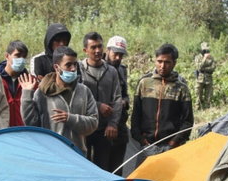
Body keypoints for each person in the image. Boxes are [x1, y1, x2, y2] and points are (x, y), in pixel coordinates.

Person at [20, 46, 98, 155]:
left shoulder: (84, 91)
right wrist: (27, 95)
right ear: (57, 67)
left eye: (75, 64)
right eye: (68, 65)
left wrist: (70, 118)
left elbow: (93, 122)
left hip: (78, 155)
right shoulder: (42, 92)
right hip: (51, 155)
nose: (73, 69)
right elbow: (31, 123)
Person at [130, 44, 194, 164]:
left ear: (174, 63)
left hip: (170, 147)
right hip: (146, 146)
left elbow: (187, 121)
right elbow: (136, 115)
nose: (162, 66)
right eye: (159, 61)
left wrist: (173, 142)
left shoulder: (181, 88)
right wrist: (141, 139)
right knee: (142, 180)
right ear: (155, 60)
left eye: (167, 62)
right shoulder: (144, 83)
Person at [80, 32, 122, 172]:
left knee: (102, 169)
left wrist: (113, 123)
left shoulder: (111, 71)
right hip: (83, 128)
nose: (97, 51)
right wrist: (98, 106)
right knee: (82, 168)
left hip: (104, 129)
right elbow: (77, 96)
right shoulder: (78, 70)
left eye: (100, 46)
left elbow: (117, 99)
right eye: (93, 47)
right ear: (85, 50)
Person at [106, 36, 130, 173]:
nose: (118, 58)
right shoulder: (99, 67)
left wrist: (124, 101)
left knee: (118, 167)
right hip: (103, 123)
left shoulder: (122, 70)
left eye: (121, 55)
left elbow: (126, 94)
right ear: (108, 50)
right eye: (115, 54)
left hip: (120, 122)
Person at [0, 40, 29, 127]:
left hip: (24, 132)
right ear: (7, 56)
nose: (21, 60)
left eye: (24, 57)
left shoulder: (30, 81)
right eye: (17, 55)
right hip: (2, 132)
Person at [194, 42, 217, 109]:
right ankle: (198, 110)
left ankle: (207, 110)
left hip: (208, 79)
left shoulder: (211, 57)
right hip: (199, 79)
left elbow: (213, 68)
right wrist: (204, 59)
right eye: (204, 50)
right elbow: (199, 67)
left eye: (207, 50)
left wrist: (204, 69)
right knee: (198, 97)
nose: (206, 51)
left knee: (208, 97)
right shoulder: (197, 57)